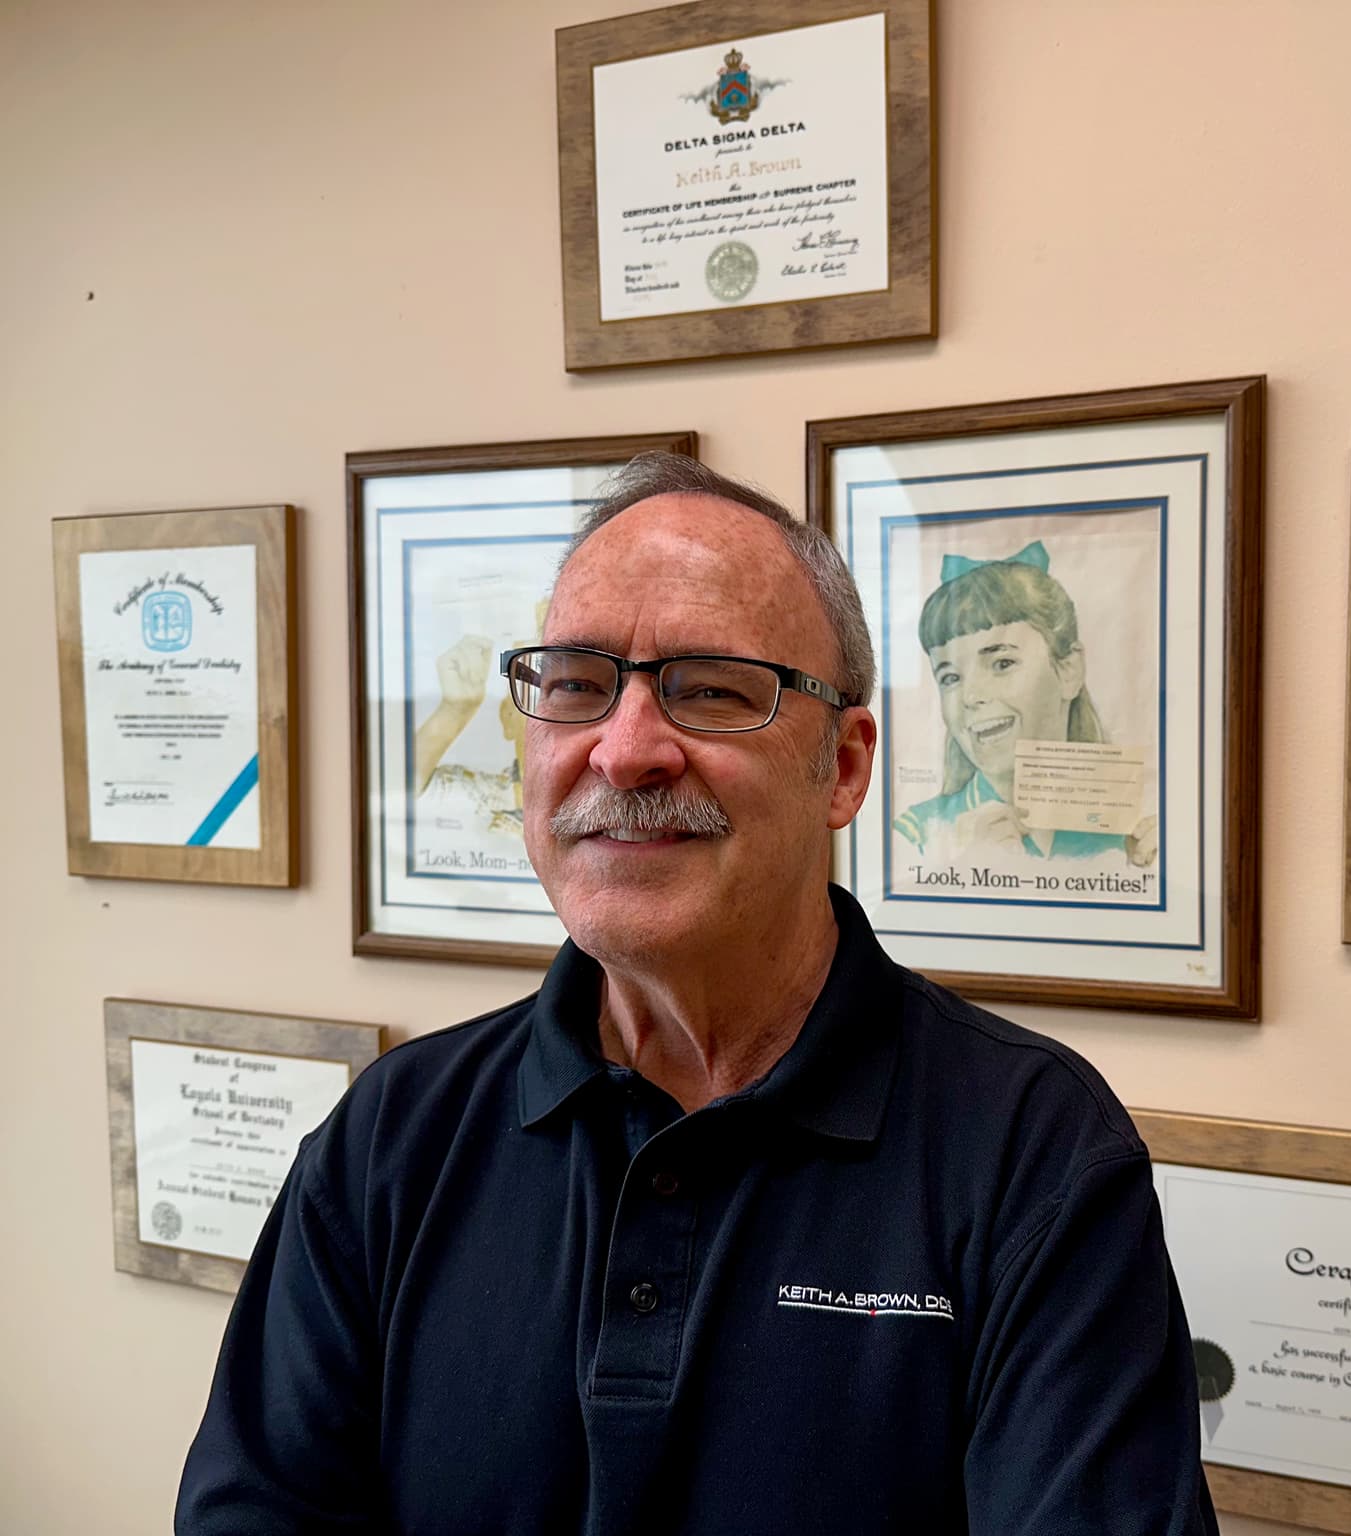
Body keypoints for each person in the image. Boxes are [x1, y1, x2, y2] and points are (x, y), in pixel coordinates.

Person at [177, 453, 1217, 1535]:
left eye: (713, 690)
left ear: (846, 767)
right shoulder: (392, 1137)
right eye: (576, 685)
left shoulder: (1032, 1154)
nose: (624, 754)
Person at [893, 541, 1159, 865]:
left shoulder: (1136, 828)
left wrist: (1151, 871)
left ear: (1068, 670)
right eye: (950, 678)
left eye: (1002, 663)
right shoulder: (916, 835)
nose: (972, 696)